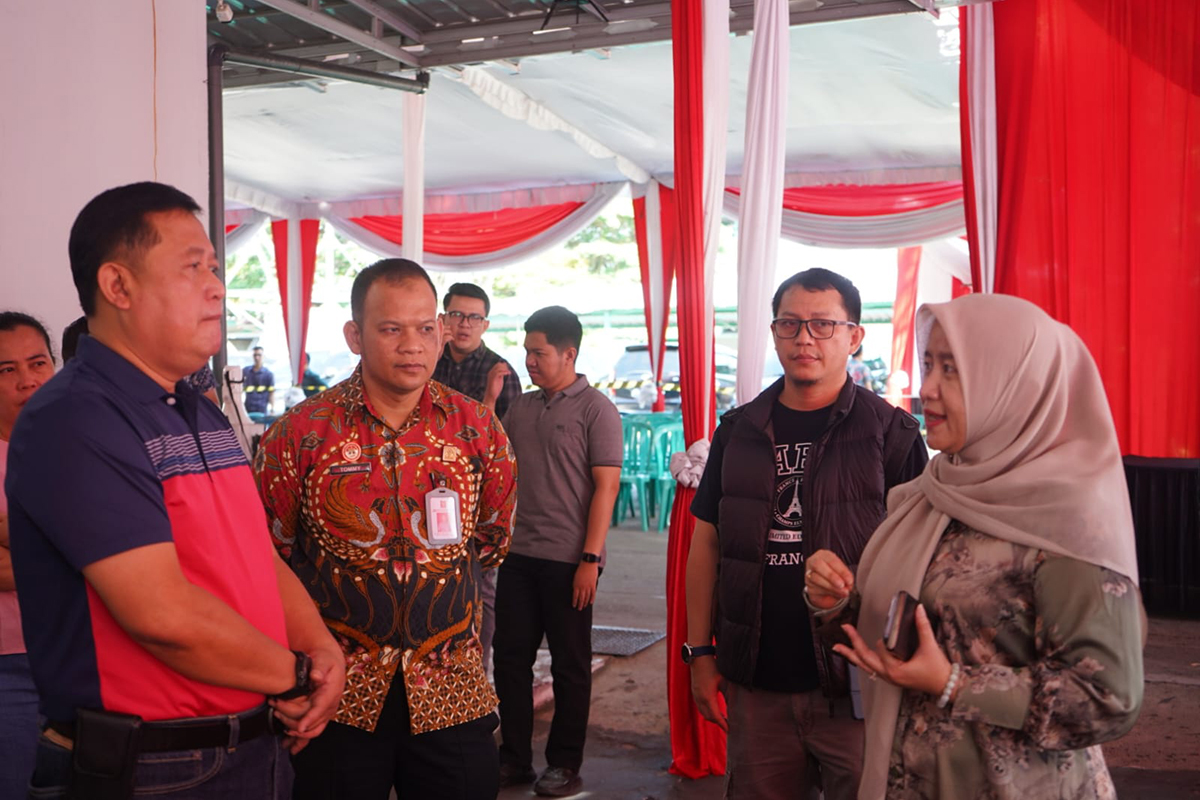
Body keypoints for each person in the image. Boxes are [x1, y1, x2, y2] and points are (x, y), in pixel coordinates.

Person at [6, 182, 345, 798]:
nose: (217, 286)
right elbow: (162, 616)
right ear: (118, 287)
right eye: (193, 269)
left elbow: (256, 558)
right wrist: (295, 676)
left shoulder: (197, 409)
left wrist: (320, 646)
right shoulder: (77, 416)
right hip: (156, 766)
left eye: (215, 267)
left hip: (248, 741)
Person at [805, 294, 1145, 800]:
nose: (927, 389)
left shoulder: (1067, 519)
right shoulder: (932, 493)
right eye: (927, 364)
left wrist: (953, 683)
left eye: (953, 370)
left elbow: (1108, 698)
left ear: (1013, 384)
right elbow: (911, 627)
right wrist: (837, 600)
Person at [254, 258, 517, 800]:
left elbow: (492, 539)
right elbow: (267, 555)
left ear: (442, 333)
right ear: (355, 335)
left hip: (451, 687)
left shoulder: (478, 431)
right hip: (337, 694)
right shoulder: (299, 435)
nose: (411, 346)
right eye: (391, 329)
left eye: (425, 328)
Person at [684, 268, 928, 800]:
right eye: (790, 324)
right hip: (758, 680)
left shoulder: (892, 434)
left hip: (857, 683)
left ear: (854, 336)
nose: (804, 339)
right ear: (773, 333)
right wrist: (700, 653)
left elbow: (923, 563)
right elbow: (706, 543)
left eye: (822, 325)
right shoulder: (739, 431)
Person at [494, 306, 623, 798]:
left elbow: (605, 488)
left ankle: (565, 764)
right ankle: (515, 760)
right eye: (526, 351)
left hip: (571, 561)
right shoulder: (521, 409)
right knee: (510, 661)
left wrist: (590, 560)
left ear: (569, 353)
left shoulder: (597, 410)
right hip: (519, 555)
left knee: (570, 664)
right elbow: (499, 475)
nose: (529, 360)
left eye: (538, 352)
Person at [431, 282, 522, 675]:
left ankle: (475, 671)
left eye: (473, 317)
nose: (464, 324)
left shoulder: (500, 372)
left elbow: (506, 448)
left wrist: (487, 400)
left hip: (477, 498)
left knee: (482, 587)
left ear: (485, 324)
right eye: (456, 315)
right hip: (423, 492)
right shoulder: (425, 361)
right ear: (443, 318)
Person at [0, 312, 55, 800]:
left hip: (84, 657)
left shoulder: (83, 448)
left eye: (37, 362)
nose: (27, 379)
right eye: (6, 369)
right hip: (8, 667)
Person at [244, 345, 276, 414]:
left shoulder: (268, 374)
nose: (257, 358)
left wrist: (272, 409)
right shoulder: (246, 371)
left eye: (259, 355)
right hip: (248, 407)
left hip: (262, 408)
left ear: (263, 356)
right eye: (255, 355)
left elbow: (271, 393)